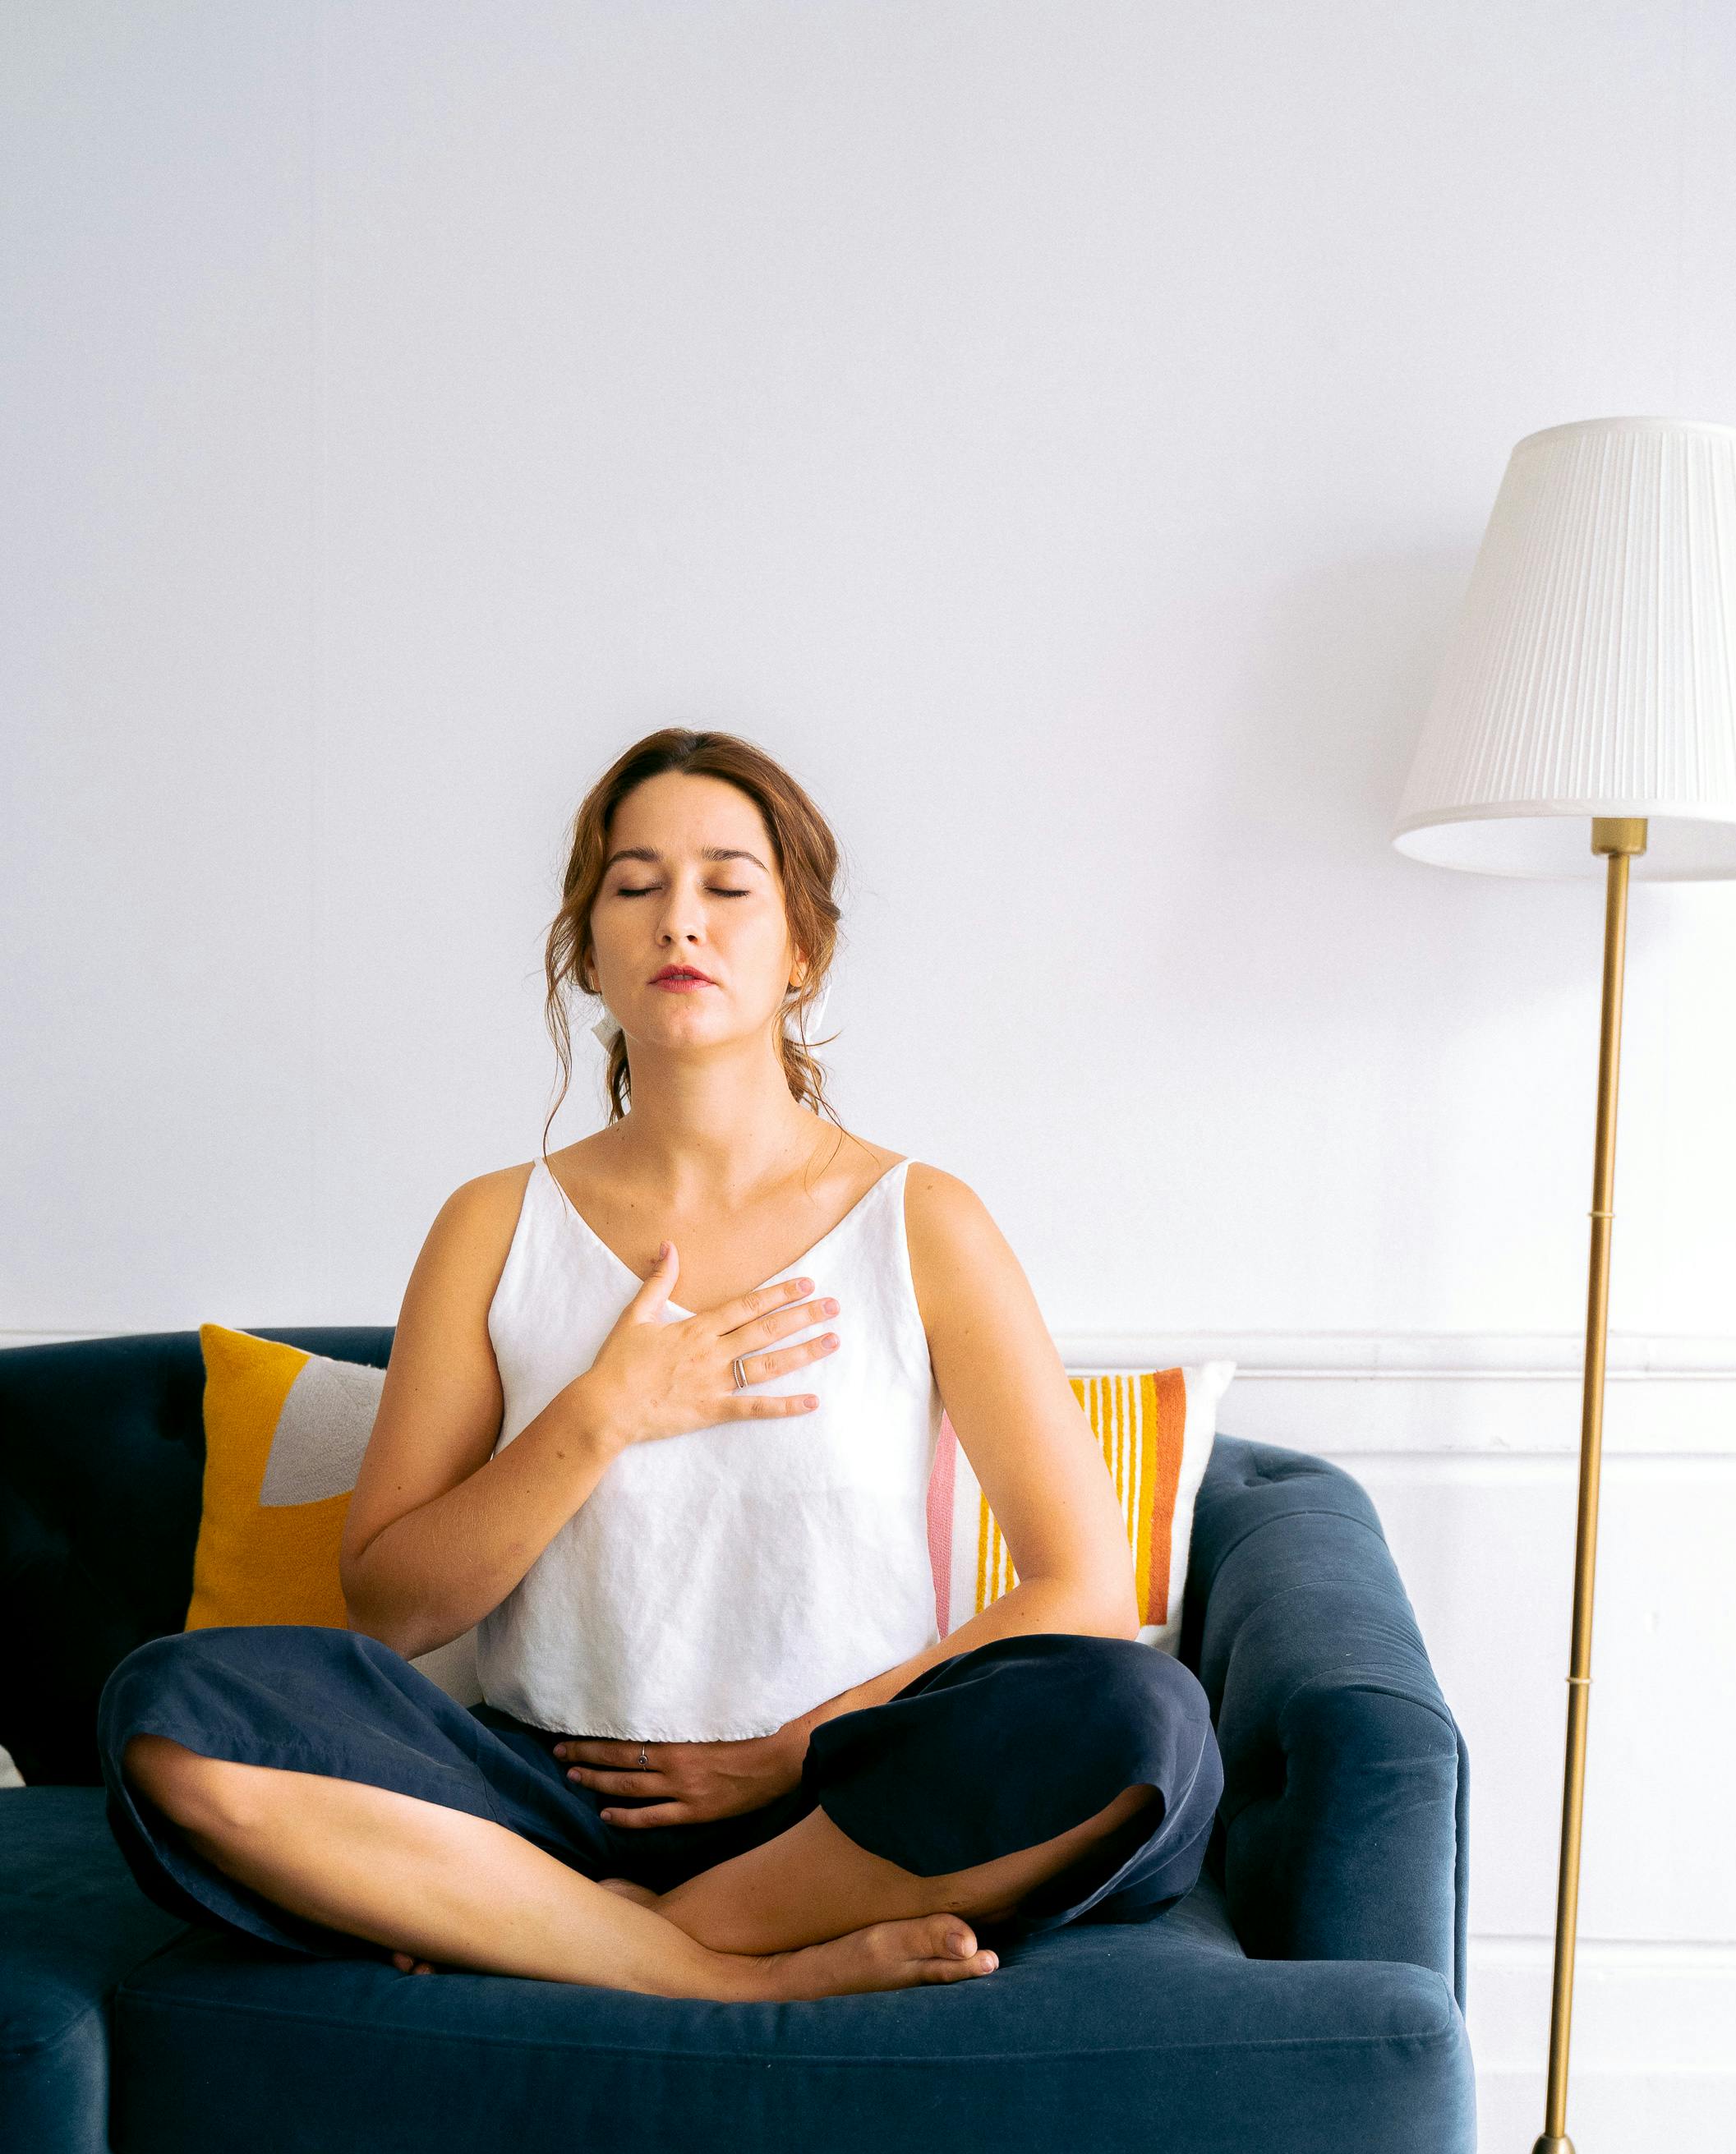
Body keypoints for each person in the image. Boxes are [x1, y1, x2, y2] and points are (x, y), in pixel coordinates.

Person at [101, 729, 1221, 2001]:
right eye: (633, 887)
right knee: (174, 1710)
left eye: (727, 887)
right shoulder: (490, 1223)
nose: (677, 920)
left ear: (802, 950)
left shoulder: (924, 1221)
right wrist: (606, 1409)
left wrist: (805, 1747)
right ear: (589, 950)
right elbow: (392, 1605)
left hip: (839, 1802)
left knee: (1142, 1724)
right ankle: (714, 1972)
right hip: (541, 1791)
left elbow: (1078, 1580)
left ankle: (577, 1933)